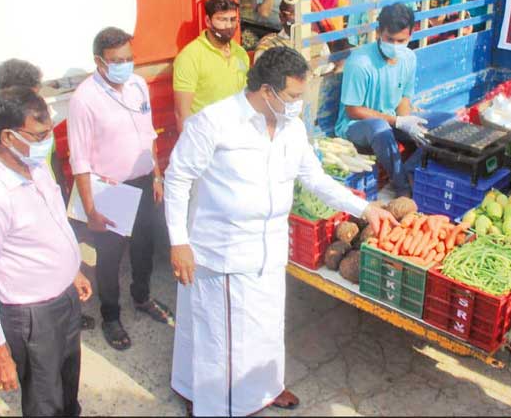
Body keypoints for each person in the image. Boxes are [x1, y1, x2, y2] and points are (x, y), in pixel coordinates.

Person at [164, 46, 396, 417]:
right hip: (225, 252)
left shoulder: (291, 127)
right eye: (291, 96)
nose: (298, 104)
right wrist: (179, 241)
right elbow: (177, 180)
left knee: (266, 328)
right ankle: (216, 406)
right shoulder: (214, 123)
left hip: (270, 249)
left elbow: (315, 179)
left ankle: (263, 389)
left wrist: (365, 208)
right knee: (222, 339)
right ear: (266, 91)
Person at [0, 87, 92, 417]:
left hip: (63, 299)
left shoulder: (34, 165)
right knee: (44, 400)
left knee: (67, 387)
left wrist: (71, 270)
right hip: (32, 315)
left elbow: (52, 223)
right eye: (40, 134)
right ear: (8, 136)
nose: (47, 139)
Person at [68, 26, 173, 351]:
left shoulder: (138, 85)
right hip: (109, 190)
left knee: (145, 246)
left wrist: (156, 175)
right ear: (99, 61)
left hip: (144, 182)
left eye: (128, 58)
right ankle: (110, 315)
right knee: (110, 258)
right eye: (116, 60)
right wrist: (91, 209)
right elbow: (80, 160)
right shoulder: (84, 99)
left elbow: (148, 135)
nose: (124, 65)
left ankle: (141, 297)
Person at [0, 58, 96, 331]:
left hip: (57, 286)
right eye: (33, 94)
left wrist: (71, 269)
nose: (38, 100)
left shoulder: (31, 154)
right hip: (29, 305)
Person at [335, 3, 425, 197]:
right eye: (389, 39)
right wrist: (397, 122)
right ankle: (402, 187)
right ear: (378, 33)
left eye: (401, 40)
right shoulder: (360, 63)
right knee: (379, 128)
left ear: (411, 34)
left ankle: (409, 169)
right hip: (357, 127)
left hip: (391, 121)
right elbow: (353, 110)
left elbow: (403, 98)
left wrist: (407, 123)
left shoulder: (409, 58)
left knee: (440, 123)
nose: (395, 46)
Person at [173, 0, 249, 137]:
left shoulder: (240, 53)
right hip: (206, 139)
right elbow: (182, 113)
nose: (228, 26)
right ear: (208, 21)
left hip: (237, 135)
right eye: (222, 19)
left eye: (232, 20)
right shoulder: (190, 57)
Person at [254, 0, 330, 62]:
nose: (301, 19)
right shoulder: (268, 45)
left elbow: (329, 71)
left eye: (304, 13)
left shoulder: (317, 40)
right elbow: (263, 77)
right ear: (282, 17)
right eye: (296, 14)